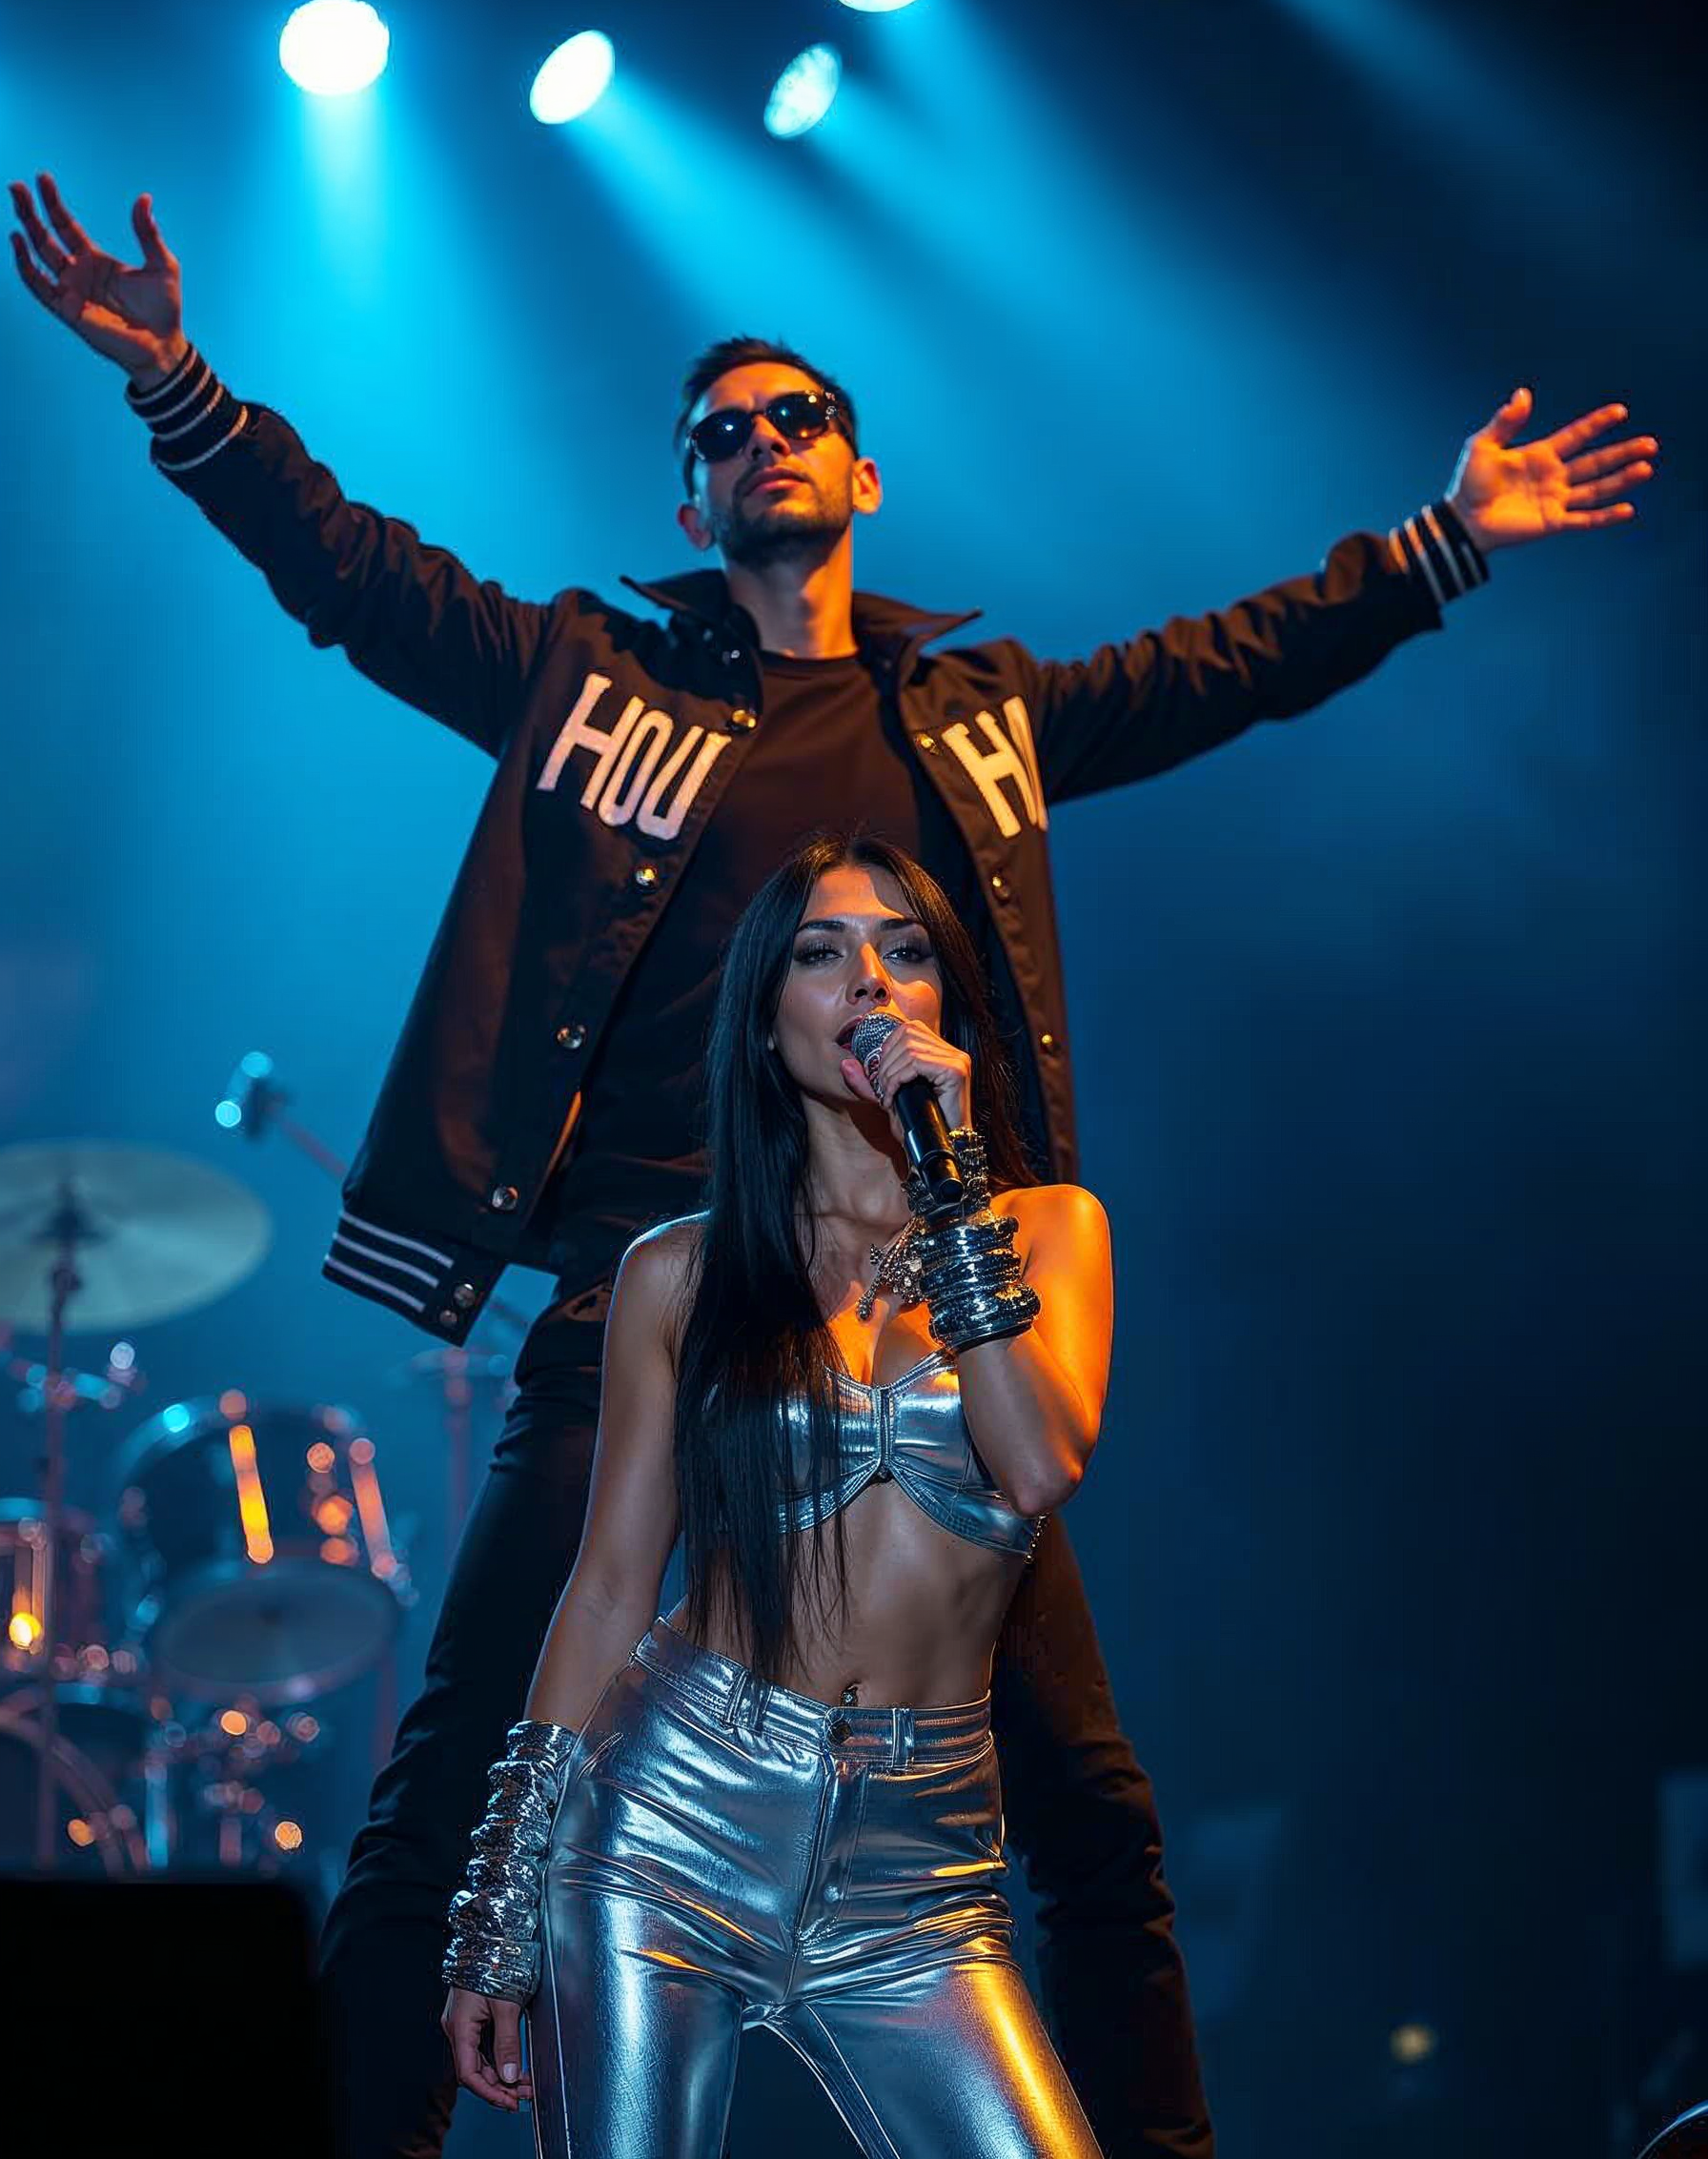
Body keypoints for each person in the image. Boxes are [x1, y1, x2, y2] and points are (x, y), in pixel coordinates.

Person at [8, 171, 1656, 2159]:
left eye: (795, 416)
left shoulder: (973, 721)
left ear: (859, 474)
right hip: (645, 1303)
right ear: (689, 497)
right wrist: (177, 382)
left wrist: (1439, 544)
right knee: (453, 1788)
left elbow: (1216, 669)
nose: (760, 441)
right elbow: (357, 576)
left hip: (912, 1314)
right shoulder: (600, 683)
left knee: (1092, 1815)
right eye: (721, 432)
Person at [443, 832, 1113, 2156]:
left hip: (920, 1866)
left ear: (942, 1003)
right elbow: (609, 1589)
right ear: (765, 1024)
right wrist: (498, 1914)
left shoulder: (1047, 1231)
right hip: (671, 1820)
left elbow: (1038, 1466)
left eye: (905, 951)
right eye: (822, 954)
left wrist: (949, 1178)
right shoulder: (680, 1275)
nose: (871, 981)